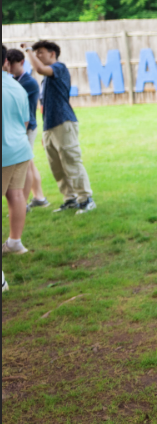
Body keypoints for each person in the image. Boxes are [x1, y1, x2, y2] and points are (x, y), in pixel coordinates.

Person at [22, 40, 95, 214]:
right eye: (36, 52)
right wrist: (45, 131)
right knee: (57, 166)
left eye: (41, 52)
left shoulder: (59, 68)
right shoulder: (46, 80)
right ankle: (70, 199)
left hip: (64, 122)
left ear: (52, 54)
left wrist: (28, 51)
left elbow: (39, 69)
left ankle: (86, 199)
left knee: (71, 161)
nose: (38, 55)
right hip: (50, 126)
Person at [5, 49, 49, 209]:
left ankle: (24, 203)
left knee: (26, 164)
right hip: (21, 127)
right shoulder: (15, 80)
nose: (9, 67)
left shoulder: (27, 82)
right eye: (7, 63)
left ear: (21, 62)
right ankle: (39, 198)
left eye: (12, 64)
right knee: (29, 163)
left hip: (26, 127)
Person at [3, 44, 35, 260]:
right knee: (16, 195)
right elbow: (25, 122)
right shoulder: (17, 87)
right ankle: (15, 242)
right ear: (5, 61)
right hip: (20, 149)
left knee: (14, 194)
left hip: (5, 152)